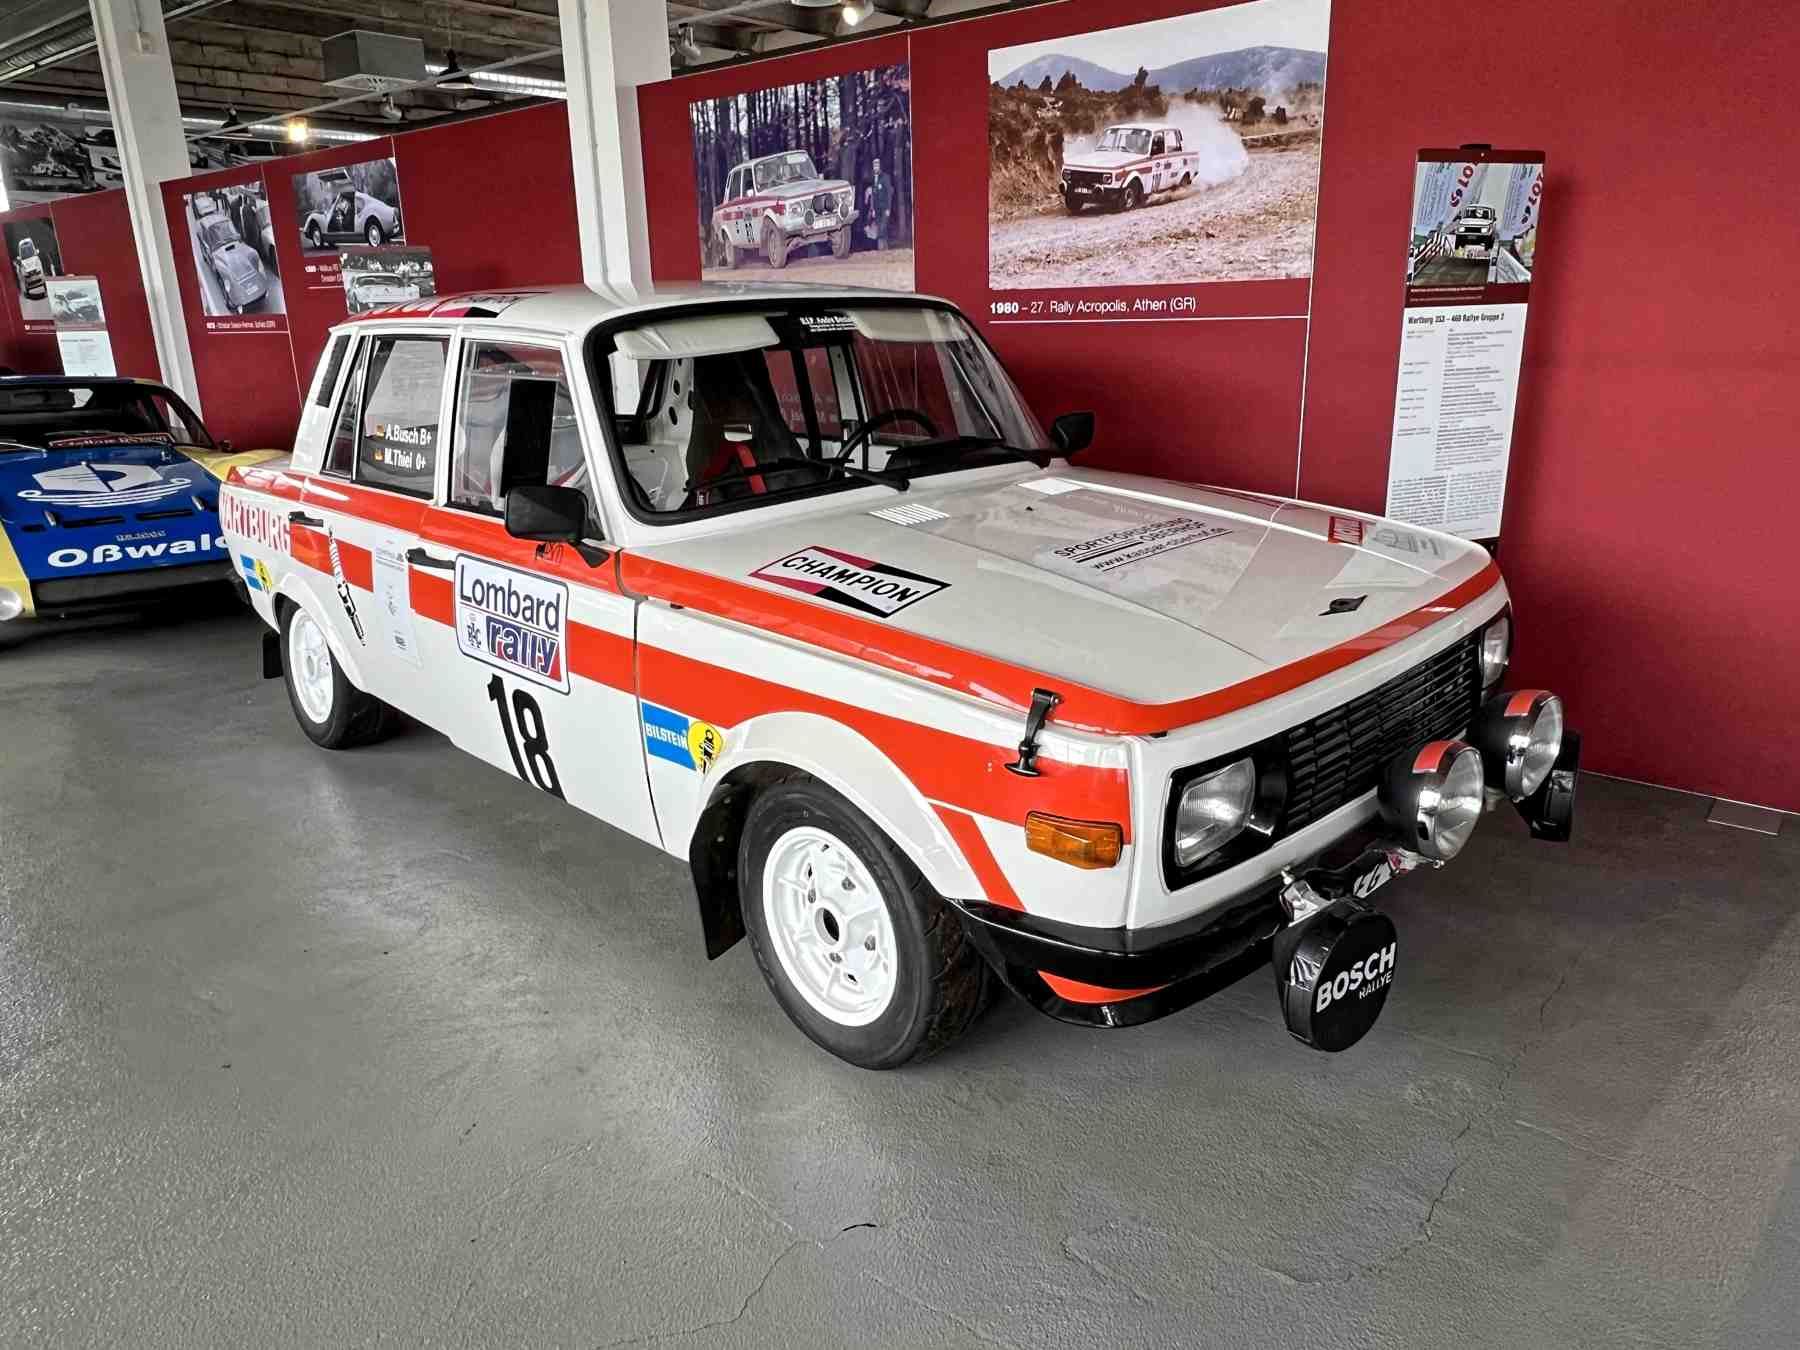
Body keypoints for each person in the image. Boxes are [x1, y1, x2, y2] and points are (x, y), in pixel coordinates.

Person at [864, 155, 895, 252]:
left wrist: (888, 208)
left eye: (877, 165)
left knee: (882, 228)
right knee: (881, 229)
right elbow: (874, 195)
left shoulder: (886, 177)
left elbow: (889, 193)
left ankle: (882, 249)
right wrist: (873, 209)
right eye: (874, 165)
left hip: (884, 208)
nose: (875, 167)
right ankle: (884, 250)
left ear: (880, 166)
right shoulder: (873, 178)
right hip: (876, 209)